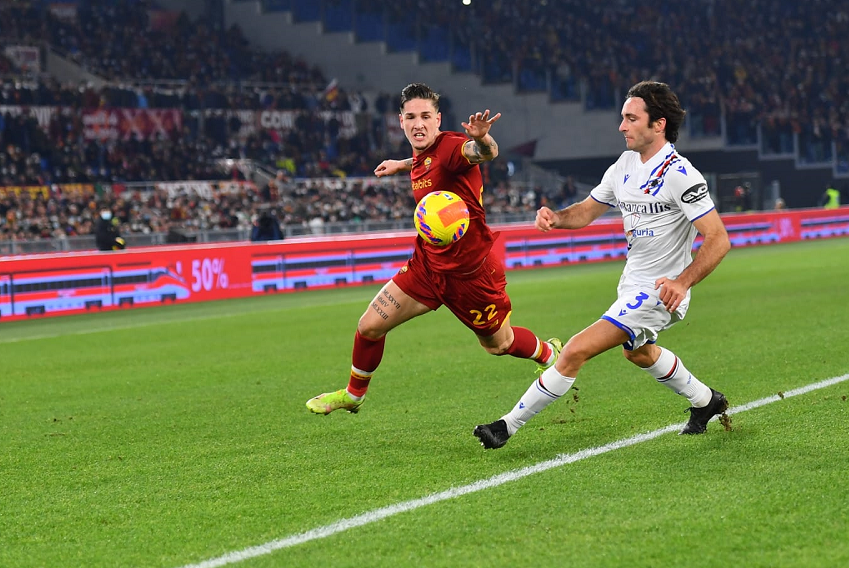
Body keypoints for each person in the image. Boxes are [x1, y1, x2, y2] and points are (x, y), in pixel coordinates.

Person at [473, 81, 733, 449]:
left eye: (631, 118)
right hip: (632, 283)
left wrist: (682, 282)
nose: (621, 126)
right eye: (622, 117)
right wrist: (557, 217)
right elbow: (587, 211)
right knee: (638, 352)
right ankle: (706, 402)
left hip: (660, 290)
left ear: (658, 125)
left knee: (576, 349)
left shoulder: (680, 174)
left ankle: (505, 427)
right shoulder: (625, 165)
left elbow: (718, 238)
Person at [306, 83, 562, 414]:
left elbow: (482, 153)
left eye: (426, 116)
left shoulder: (454, 147)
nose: (418, 124)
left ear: (438, 119)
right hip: (426, 266)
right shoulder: (421, 156)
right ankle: (353, 395)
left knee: (501, 345)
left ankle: (549, 353)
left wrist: (483, 138)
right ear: (400, 121)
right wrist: (401, 164)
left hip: (471, 276)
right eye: (411, 117)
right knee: (369, 325)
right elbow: (426, 164)